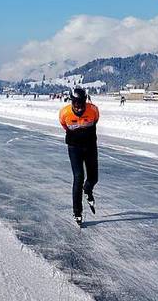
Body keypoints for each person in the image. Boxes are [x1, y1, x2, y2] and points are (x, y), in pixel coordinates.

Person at [59, 87, 100, 226]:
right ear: (72, 102)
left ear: (85, 101)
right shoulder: (64, 113)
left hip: (90, 146)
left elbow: (95, 120)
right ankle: (77, 212)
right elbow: (64, 125)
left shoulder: (93, 110)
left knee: (93, 177)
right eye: (76, 104)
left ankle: (88, 189)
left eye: (81, 104)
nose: (78, 107)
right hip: (74, 147)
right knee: (78, 177)